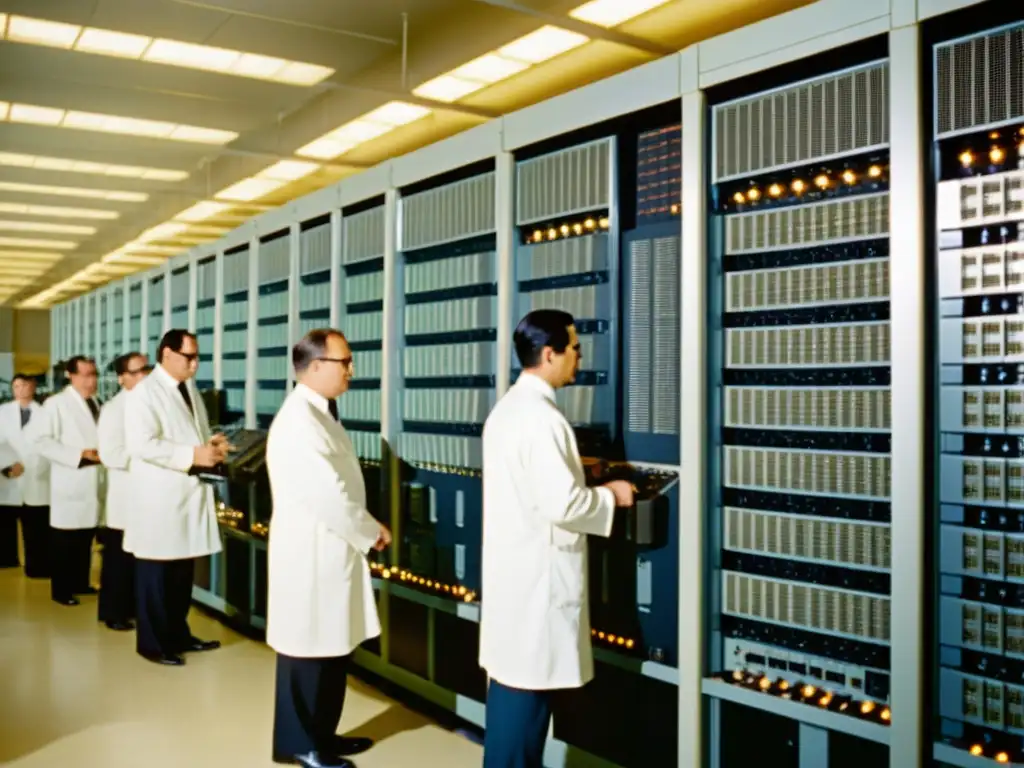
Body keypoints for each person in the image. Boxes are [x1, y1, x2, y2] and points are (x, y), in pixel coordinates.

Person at [478, 309, 634, 768]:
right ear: (550, 355)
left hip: (517, 577)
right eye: (575, 349)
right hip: (537, 582)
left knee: (514, 695)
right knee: (525, 705)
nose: (579, 360)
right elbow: (563, 505)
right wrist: (610, 495)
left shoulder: (508, 409)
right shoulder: (542, 419)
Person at [266, 329, 391, 768]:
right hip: (313, 555)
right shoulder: (299, 420)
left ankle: (320, 735)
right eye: (345, 362)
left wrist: (362, 527)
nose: (351, 371)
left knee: (330, 649)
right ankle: (301, 744)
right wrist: (370, 529)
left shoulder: (319, 413)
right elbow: (329, 496)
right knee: (308, 654)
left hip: (330, 550)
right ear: (315, 367)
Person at [124, 330, 228, 666]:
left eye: (197, 357)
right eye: (189, 357)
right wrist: (192, 454)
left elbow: (190, 434)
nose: (195, 364)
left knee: (181, 573)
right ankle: (153, 644)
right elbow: (142, 445)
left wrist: (210, 446)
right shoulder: (144, 394)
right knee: (156, 574)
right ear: (167, 354)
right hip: (160, 499)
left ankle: (178, 634)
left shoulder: (188, 389)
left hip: (185, 495)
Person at [31, 356, 106, 606]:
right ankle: (61, 590)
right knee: (66, 538)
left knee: (85, 536)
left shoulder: (96, 402)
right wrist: (78, 455)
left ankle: (80, 582)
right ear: (70, 376)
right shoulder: (56, 404)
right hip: (71, 477)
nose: (90, 380)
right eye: (84, 375)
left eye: (93, 374)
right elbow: (43, 441)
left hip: (94, 478)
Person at [96, 352, 152, 631]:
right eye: (139, 371)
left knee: (140, 560)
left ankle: (134, 609)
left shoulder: (151, 404)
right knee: (119, 559)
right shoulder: (114, 410)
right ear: (122, 378)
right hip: (125, 495)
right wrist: (148, 458)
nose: (146, 375)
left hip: (148, 495)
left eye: (148, 368)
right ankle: (113, 613)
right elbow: (111, 454)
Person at [0, 373, 51, 576]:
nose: (20, 389)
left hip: (35, 473)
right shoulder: (2, 412)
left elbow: (47, 444)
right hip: (8, 475)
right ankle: (6, 559)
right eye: (16, 386)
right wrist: (6, 466)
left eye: (24, 385)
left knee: (36, 526)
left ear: (33, 387)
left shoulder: (45, 413)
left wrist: (27, 465)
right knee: (4, 523)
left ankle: (36, 566)